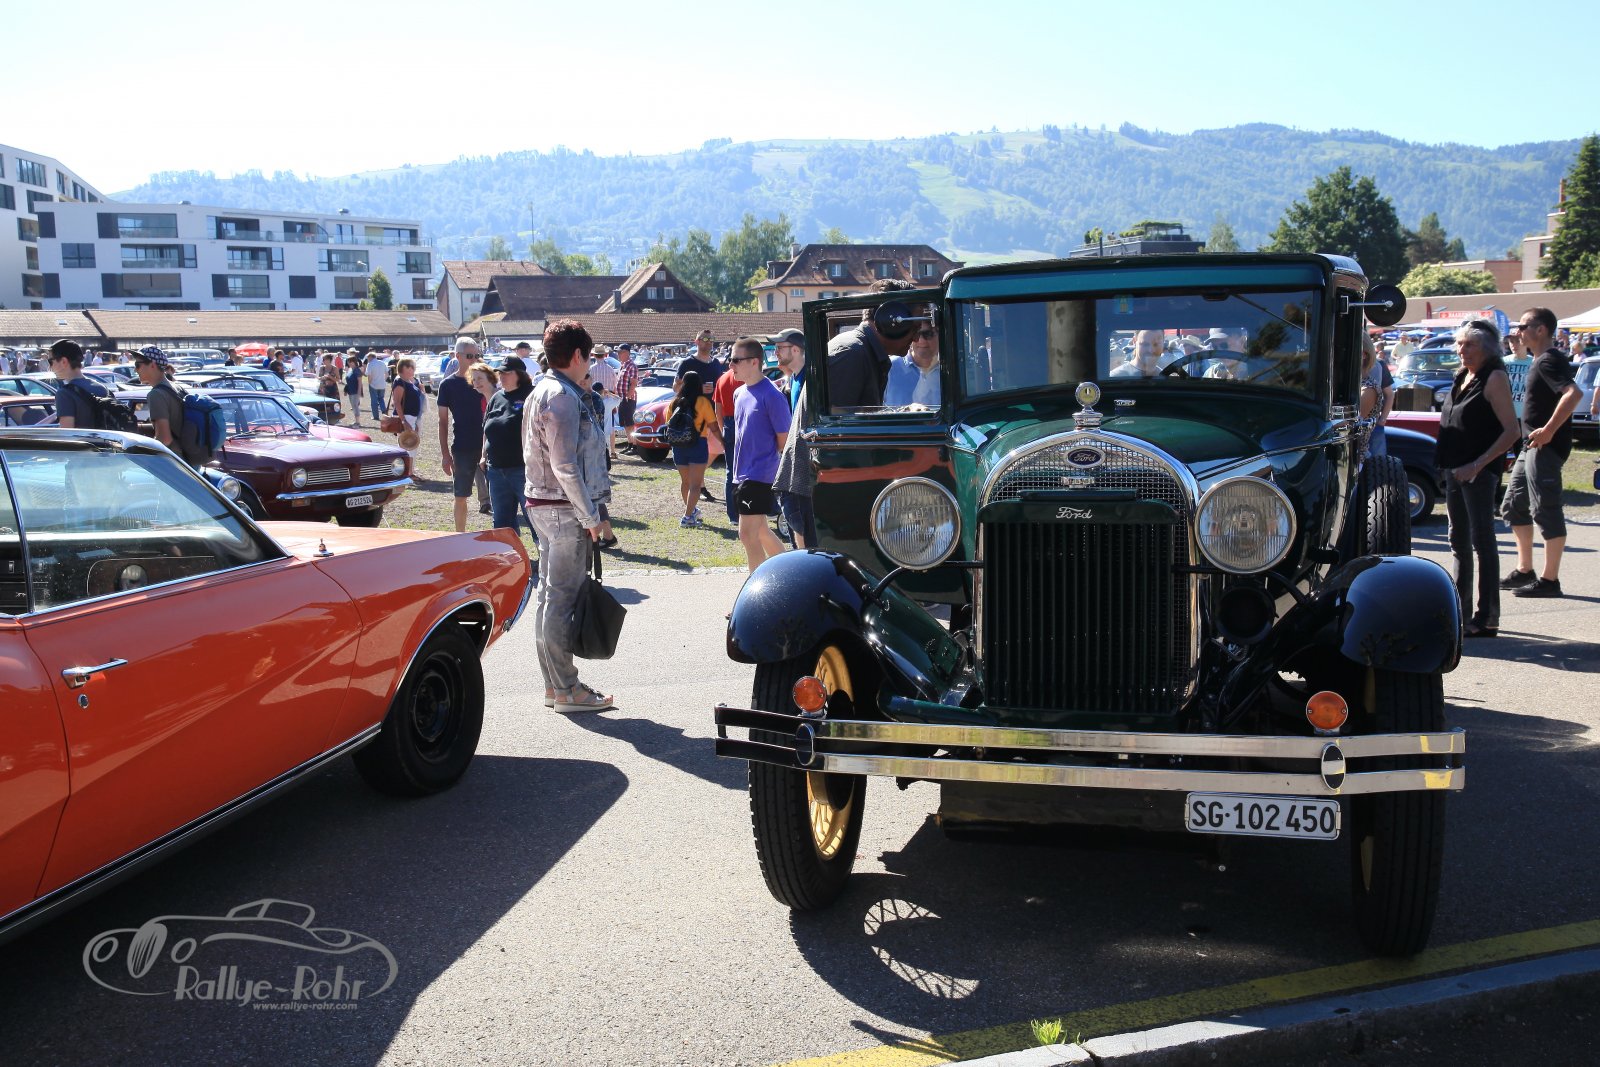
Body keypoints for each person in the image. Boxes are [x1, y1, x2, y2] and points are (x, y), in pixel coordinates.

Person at [521, 318, 613, 714]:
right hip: (562, 509)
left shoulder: (543, 390)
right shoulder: (561, 396)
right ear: (577, 355)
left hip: (546, 505)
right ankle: (566, 688)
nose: (589, 364)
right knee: (560, 599)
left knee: (550, 596)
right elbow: (565, 466)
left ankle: (556, 684)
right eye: (588, 357)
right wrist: (591, 516)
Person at [1435, 319, 1521, 638]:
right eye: (1459, 343)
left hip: (1479, 472)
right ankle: (1461, 612)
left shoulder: (1494, 376)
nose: (1462, 350)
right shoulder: (1463, 374)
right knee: (1458, 541)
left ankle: (1487, 617)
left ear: (1486, 348)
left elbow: (1512, 431)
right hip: (1454, 468)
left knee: (1482, 541)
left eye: (1469, 344)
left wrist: (1477, 465)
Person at [1500, 306, 1583, 599]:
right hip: (1530, 445)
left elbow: (1574, 393)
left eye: (1523, 326)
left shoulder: (1549, 359)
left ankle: (1550, 580)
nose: (1518, 332)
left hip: (1545, 447)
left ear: (1541, 329)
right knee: (1513, 505)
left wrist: (1548, 430)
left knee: (1545, 509)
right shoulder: (1539, 360)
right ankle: (1525, 570)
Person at [728, 337, 790, 571]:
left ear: (754, 362)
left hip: (759, 475)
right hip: (741, 474)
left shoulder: (772, 395)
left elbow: (784, 439)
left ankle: (756, 589)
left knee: (747, 535)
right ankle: (789, 574)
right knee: (761, 531)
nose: (731, 365)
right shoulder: (739, 393)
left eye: (736, 360)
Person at [827, 279, 918, 411]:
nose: (916, 338)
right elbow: (836, 421)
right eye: (914, 328)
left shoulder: (862, 352)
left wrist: (904, 412)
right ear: (890, 321)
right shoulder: (851, 354)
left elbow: (859, 417)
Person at [437, 337, 490, 532]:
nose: (474, 359)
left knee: (500, 496)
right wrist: (445, 455)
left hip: (489, 445)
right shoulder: (447, 385)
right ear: (457, 357)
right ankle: (459, 535)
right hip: (462, 446)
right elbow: (442, 422)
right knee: (460, 495)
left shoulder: (485, 381)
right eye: (470, 356)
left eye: (477, 355)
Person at [482, 355, 534, 536]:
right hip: (496, 469)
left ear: (520, 374)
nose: (502, 376)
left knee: (534, 519)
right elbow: (486, 427)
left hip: (523, 468)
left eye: (507, 373)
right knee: (501, 523)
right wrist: (483, 455)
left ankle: (543, 553)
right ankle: (509, 552)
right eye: (500, 373)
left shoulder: (531, 395)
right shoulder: (497, 397)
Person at [134, 346, 207, 466]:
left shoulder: (156, 394)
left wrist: (144, 457)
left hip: (173, 464)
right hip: (190, 462)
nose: (135, 370)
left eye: (138, 365)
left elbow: (164, 439)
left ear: (152, 365)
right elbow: (176, 422)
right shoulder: (176, 387)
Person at [668, 369, 723, 528]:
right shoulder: (702, 402)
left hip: (678, 446)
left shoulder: (674, 402)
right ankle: (687, 517)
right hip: (698, 444)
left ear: (683, 383)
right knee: (695, 484)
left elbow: (668, 423)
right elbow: (713, 426)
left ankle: (691, 511)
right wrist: (723, 441)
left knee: (685, 482)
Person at [47, 338, 110, 429]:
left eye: (50, 362)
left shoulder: (64, 394)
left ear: (64, 361)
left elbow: (67, 433)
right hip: (109, 438)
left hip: (84, 439)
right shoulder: (103, 388)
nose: (49, 368)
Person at [712, 358, 743, 524]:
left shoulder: (722, 379)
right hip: (743, 422)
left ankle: (733, 515)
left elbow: (718, 409)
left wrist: (722, 430)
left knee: (731, 471)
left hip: (728, 424)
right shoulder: (745, 377)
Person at [675, 329, 726, 400]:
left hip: (712, 406)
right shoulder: (686, 363)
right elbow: (676, 388)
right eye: (705, 339)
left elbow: (721, 387)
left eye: (711, 339)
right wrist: (698, 389)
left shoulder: (716, 363)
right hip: (693, 406)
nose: (709, 342)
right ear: (697, 342)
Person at [389, 357, 424, 460]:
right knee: (406, 447)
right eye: (412, 367)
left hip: (412, 418)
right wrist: (404, 421)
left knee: (412, 447)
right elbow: (397, 402)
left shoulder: (409, 381)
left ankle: (410, 468)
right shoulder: (400, 381)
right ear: (405, 368)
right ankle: (407, 468)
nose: (414, 369)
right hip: (405, 417)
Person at [590, 345, 621, 458]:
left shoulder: (591, 369)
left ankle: (598, 450)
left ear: (594, 355)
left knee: (596, 424)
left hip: (594, 399)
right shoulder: (610, 369)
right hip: (608, 397)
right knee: (610, 425)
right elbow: (615, 385)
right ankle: (612, 451)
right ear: (605, 355)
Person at [771, 328, 806, 409]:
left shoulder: (809, 378)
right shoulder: (793, 378)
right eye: (775, 348)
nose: (775, 352)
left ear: (795, 350)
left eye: (779, 348)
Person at [615, 343, 639, 452]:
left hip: (628, 399)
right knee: (625, 423)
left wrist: (628, 397)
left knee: (630, 423)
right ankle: (630, 444)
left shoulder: (631, 366)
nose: (618, 354)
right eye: (618, 352)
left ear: (627, 353)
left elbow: (633, 383)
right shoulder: (623, 365)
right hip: (622, 399)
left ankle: (635, 446)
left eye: (620, 352)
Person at [366, 349, 390, 423]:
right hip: (382, 384)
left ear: (370, 357)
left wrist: (369, 383)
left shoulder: (370, 364)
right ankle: (384, 411)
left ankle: (375, 416)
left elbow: (369, 375)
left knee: (374, 400)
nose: (367, 360)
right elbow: (387, 374)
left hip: (373, 384)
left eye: (368, 358)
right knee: (381, 398)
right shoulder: (382, 363)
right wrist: (384, 380)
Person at [344, 355, 365, 427]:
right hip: (350, 390)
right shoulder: (350, 370)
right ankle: (356, 421)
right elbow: (348, 381)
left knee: (355, 406)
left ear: (354, 362)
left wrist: (359, 392)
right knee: (353, 405)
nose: (349, 363)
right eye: (348, 362)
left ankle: (358, 422)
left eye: (350, 362)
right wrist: (346, 390)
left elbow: (360, 382)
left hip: (355, 391)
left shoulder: (357, 370)